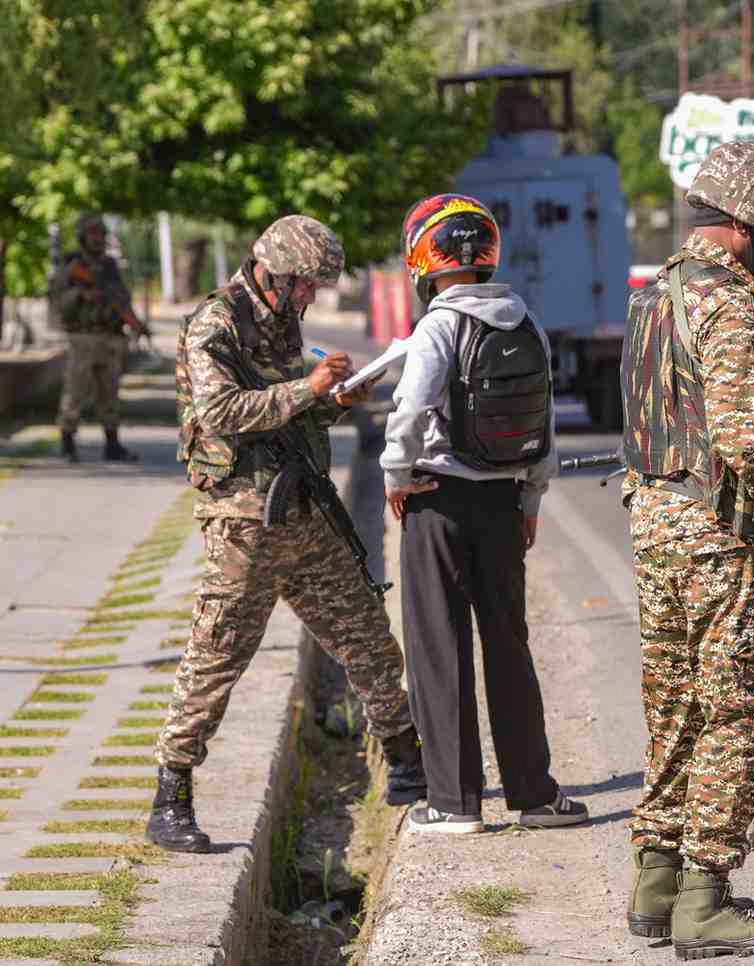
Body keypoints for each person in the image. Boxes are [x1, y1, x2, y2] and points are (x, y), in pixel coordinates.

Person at [150, 215, 426, 853]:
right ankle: (172, 796)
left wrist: (337, 396)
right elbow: (220, 411)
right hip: (244, 526)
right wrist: (309, 387)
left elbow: (288, 407)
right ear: (274, 273)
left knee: (366, 637)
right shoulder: (215, 323)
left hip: (303, 512)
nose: (310, 298)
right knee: (217, 656)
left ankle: (409, 769)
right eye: (305, 286)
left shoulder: (281, 320)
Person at [619, 141, 754, 958]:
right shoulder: (729, 304)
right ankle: (704, 900)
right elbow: (745, 440)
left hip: (657, 534)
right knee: (740, 715)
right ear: (749, 225)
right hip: (723, 542)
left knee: (675, 713)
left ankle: (655, 882)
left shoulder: (654, 296)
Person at [381, 193, 587, 836]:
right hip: (504, 502)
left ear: (426, 258)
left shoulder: (439, 327)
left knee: (439, 648)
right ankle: (534, 795)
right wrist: (530, 500)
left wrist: (395, 473)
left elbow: (412, 410)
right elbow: (544, 426)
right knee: (509, 644)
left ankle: (452, 801)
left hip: (436, 501)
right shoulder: (527, 323)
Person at [48, 212, 152, 463]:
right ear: (83, 235)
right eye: (94, 233)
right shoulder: (70, 266)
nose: (99, 238)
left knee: (110, 393)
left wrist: (136, 324)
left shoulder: (109, 266)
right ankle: (67, 443)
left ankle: (112, 444)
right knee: (75, 391)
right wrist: (81, 294)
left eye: (102, 234)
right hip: (82, 337)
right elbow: (58, 302)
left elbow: (121, 299)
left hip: (110, 337)